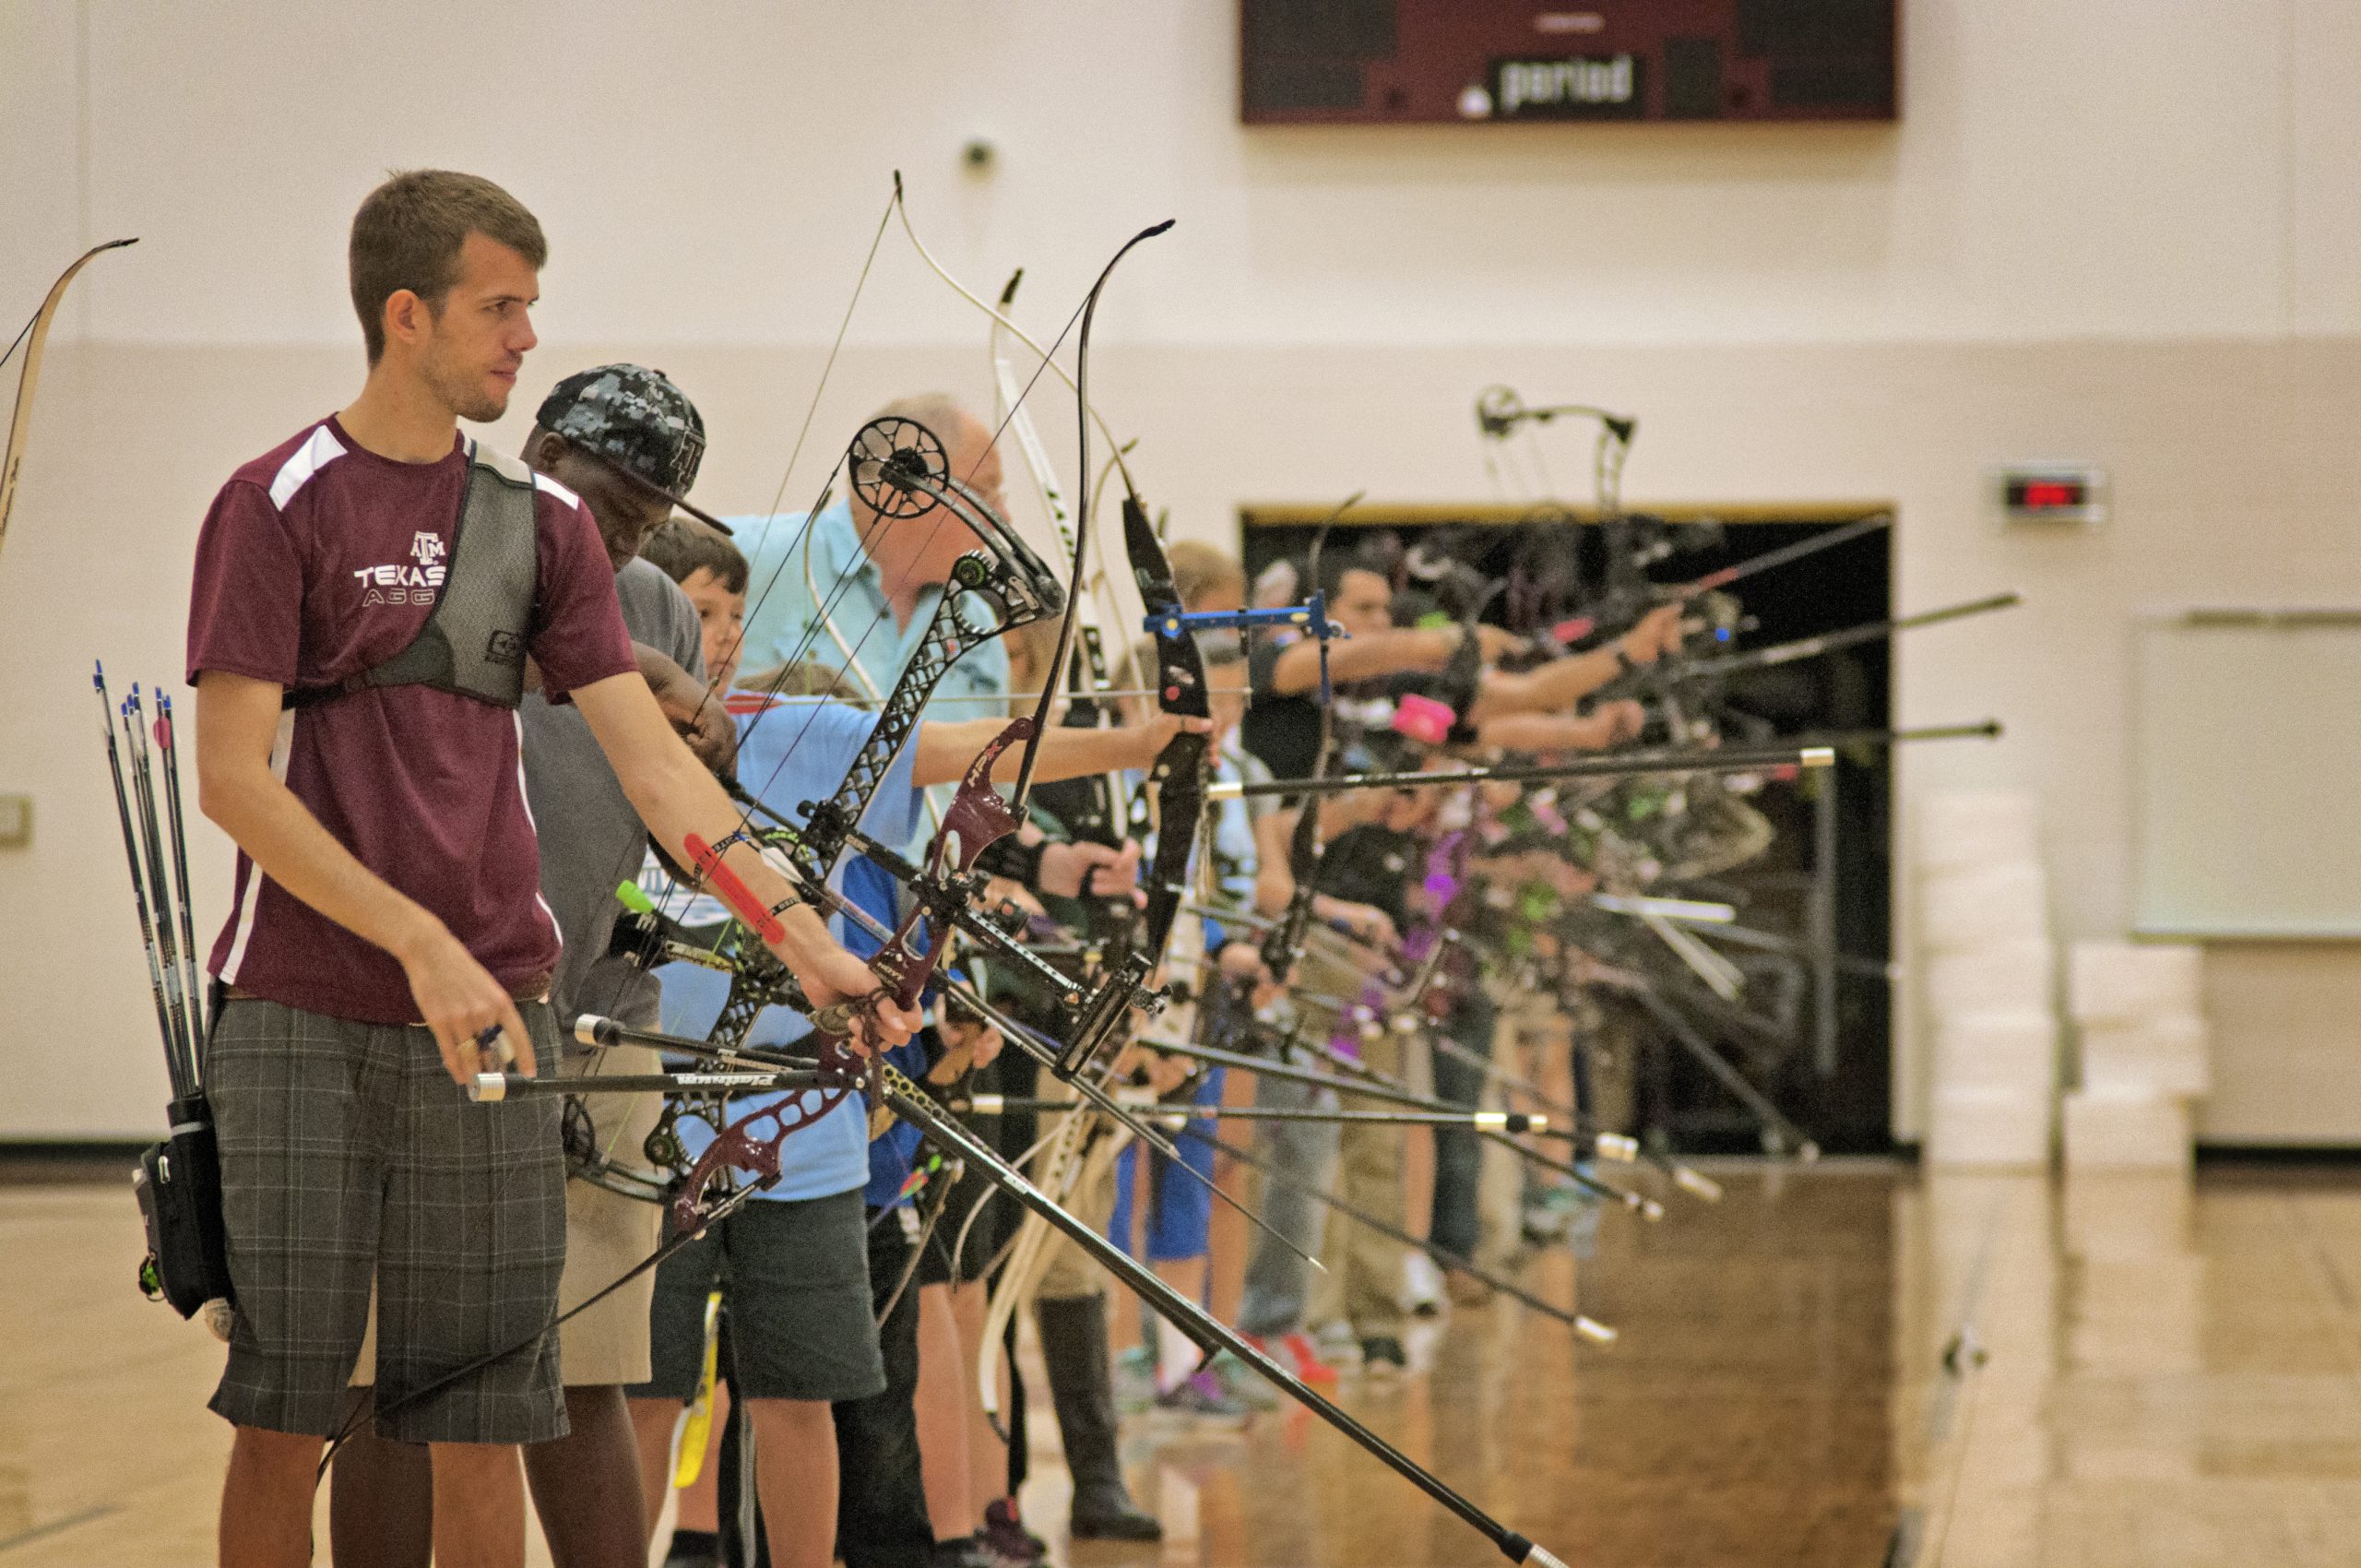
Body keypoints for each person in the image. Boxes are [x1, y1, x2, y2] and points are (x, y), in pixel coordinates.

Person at [189, 169, 911, 1568]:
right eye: (500, 307)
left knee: (481, 1418)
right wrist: (419, 939)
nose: (528, 340)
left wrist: (813, 948)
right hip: (300, 1016)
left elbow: (660, 774)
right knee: (285, 1414)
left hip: (495, 1035)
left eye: (531, 306)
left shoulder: (548, 526)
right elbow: (230, 779)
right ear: (407, 316)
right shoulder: (276, 501)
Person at [326, 362, 730, 1568]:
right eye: (610, 500)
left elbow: (677, 833)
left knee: (587, 1368)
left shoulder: (651, 602)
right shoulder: (418, 566)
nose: (620, 535)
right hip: (417, 1020)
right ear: (542, 450)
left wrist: (706, 765)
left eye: (651, 518)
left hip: (599, 1024)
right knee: (398, 1373)